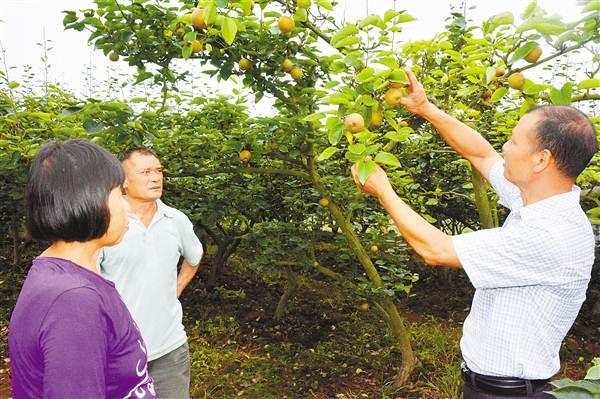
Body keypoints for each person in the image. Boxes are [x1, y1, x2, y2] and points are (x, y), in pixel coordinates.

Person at [351, 68, 597, 399]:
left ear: (541, 159)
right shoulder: (538, 200)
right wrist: (426, 108)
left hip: (508, 394)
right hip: (490, 387)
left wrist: (384, 191)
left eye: (513, 140)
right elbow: (481, 154)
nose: (505, 148)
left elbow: (435, 250)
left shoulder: (551, 234)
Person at [9, 140, 156, 399]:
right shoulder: (73, 300)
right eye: (119, 194)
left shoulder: (64, 277)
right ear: (87, 200)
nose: (127, 206)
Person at [99, 148, 203, 399]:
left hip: (170, 348)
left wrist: (175, 290)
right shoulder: (104, 222)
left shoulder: (176, 220)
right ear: (123, 181)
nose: (156, 178)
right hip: (116, 351)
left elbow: (194, 256)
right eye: (145, 172)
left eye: (158, 171)